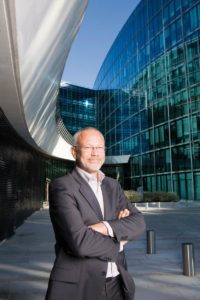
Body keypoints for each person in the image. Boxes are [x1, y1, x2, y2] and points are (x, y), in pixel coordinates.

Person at [45, 127, 146, 300]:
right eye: (88, 147)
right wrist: (119, 240)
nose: (95, 153)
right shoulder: (62, 187)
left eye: (99, 148)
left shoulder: (112, 186)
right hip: (80, 286)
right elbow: (80, 242)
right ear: (74, 151)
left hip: (117, 284)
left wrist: (104, 227)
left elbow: (138, 222)